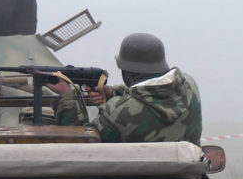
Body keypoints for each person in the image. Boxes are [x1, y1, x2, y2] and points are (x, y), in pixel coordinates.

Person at [46, 32, 203, 144]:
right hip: (183, 174)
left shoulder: (117, 115)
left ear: (128, 73)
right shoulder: (189, 85)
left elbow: (78, 143)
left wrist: (66, 95)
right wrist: (113, 92)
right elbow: (152, 91)